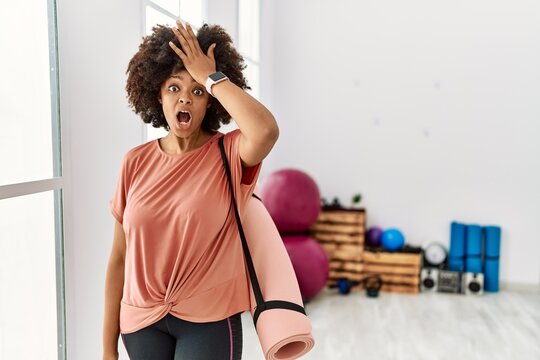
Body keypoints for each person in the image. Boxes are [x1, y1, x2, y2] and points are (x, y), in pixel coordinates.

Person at [102, 19, 279, 360]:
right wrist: (108, 349)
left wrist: (211, 77)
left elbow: (266, 130)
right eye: (174, 88)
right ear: (157, 92)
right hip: (140, 322)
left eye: (196, 91)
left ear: (210, 101)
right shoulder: (134, 162)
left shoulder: (229, 153)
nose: (185, 98)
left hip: (209, 319)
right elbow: (119, 259)